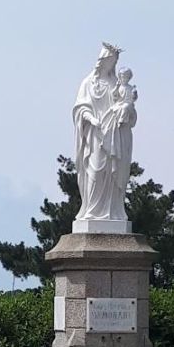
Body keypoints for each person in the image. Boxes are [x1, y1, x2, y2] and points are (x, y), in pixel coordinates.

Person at [73, 43, 137, 222]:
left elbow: (130, 109)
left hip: (116, 133)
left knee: (113, 173)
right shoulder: (88, 83)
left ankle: (114, 211)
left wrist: (128, 109)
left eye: (113, 61)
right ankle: (92, 211)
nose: (110, 64)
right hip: (96, 133)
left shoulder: (118, 84)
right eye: (108, 60)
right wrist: (91, 119)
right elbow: (80, 108)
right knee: (96, 170)